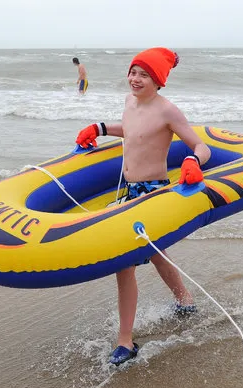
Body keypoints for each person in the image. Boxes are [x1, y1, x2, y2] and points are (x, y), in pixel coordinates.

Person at [74, 47, 211, 366]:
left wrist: (192, 161)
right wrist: (101, 128)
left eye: (143, 74)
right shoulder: (129, 103)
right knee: (158, 254)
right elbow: (134, 133)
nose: (135, 79)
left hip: (154, 193)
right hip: (130, 190)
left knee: (124, 264)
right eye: (133, 72)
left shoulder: (167, 111)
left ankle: (125, 341)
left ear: (158, 80)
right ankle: (186, 301)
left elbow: (200, 145)